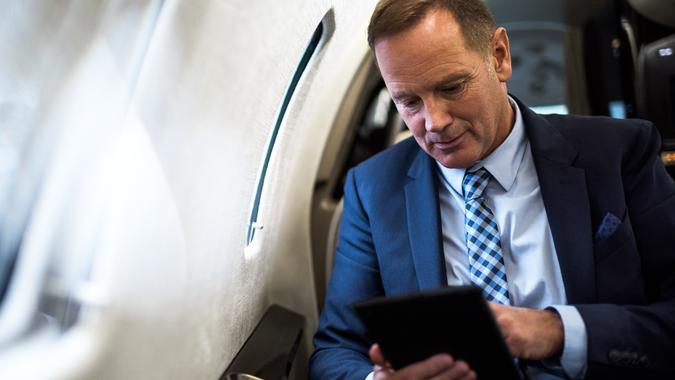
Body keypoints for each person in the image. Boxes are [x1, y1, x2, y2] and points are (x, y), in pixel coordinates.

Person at [309, 0, 675, 379]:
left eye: (451, 87)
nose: (434, 122)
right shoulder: (373, 188)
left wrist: (556, 331)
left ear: (499, 56)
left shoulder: (618, 153)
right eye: (408, 101)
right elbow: (336, 350)